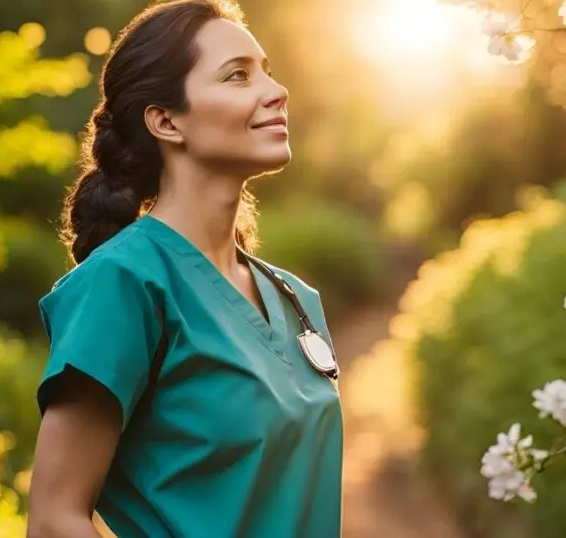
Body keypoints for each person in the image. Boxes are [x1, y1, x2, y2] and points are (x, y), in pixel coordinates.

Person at [25, 1, 343, 537]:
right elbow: (56, 520)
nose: (275, 90)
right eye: (238, 75)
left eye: (267, 69)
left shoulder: (295, 298)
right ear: (166, 121)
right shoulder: (124, 284)